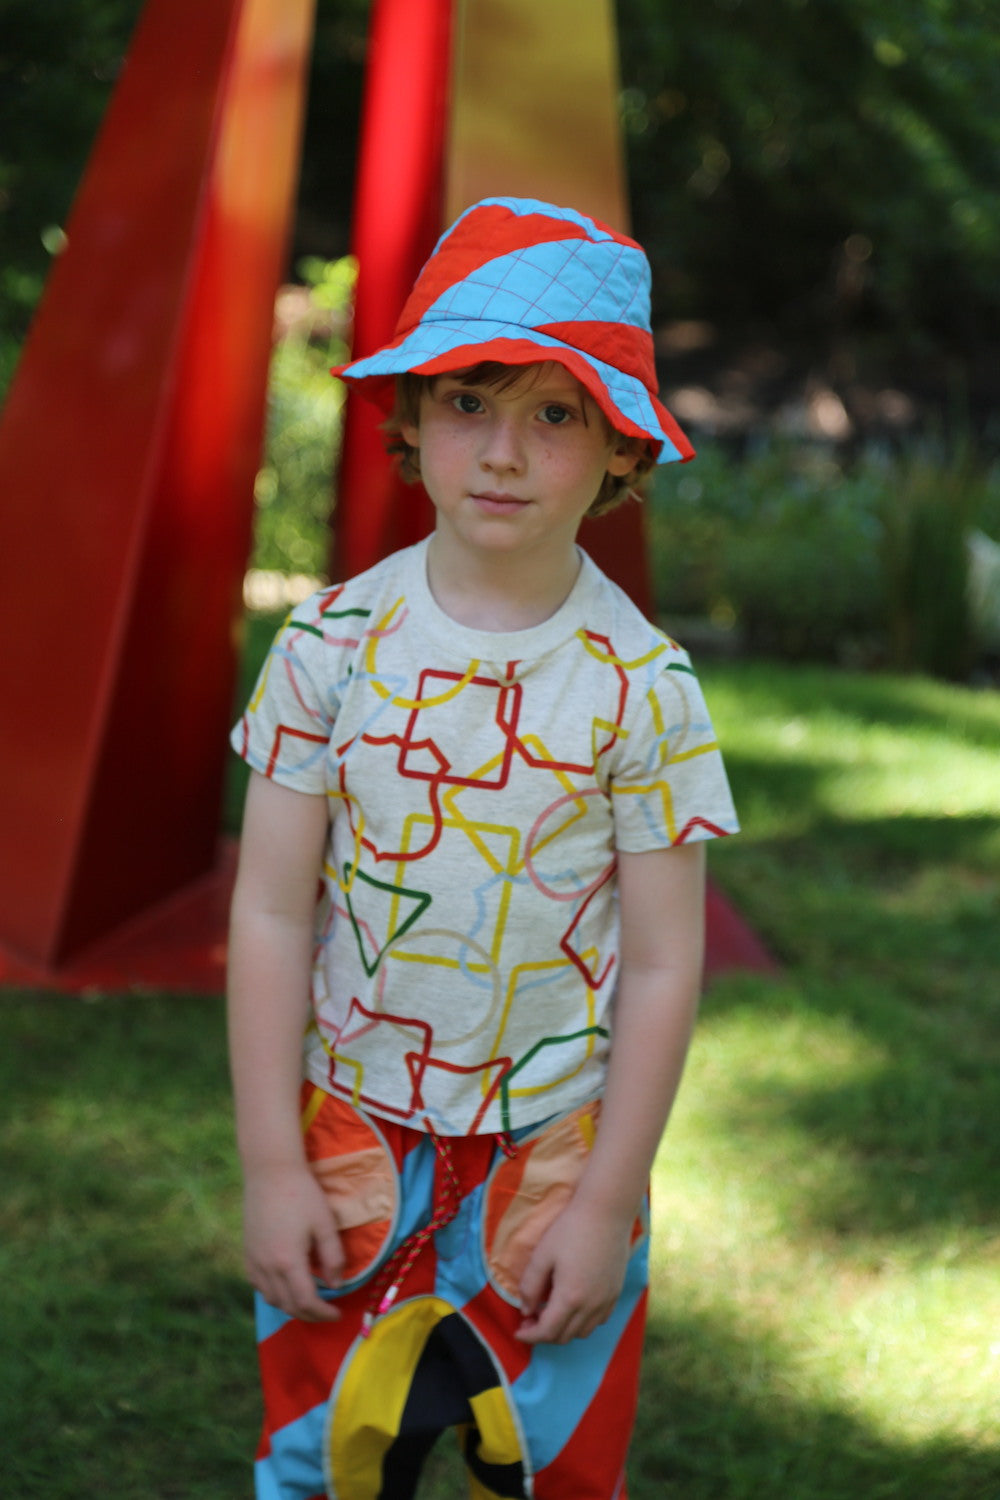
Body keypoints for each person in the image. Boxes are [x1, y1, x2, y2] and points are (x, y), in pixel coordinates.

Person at [228, 196, 738, 1500]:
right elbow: (272, 914)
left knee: (550, 1471)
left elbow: (665, 965)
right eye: (468, 402)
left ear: (621, 447)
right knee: (324, 1466)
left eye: (556, 413)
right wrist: (273, 1166)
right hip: (349, 1137)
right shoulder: (328, 651)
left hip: (555, 1159)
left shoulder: (643, 689)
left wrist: (608, 1200)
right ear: (410, 418)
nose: (504, 453)